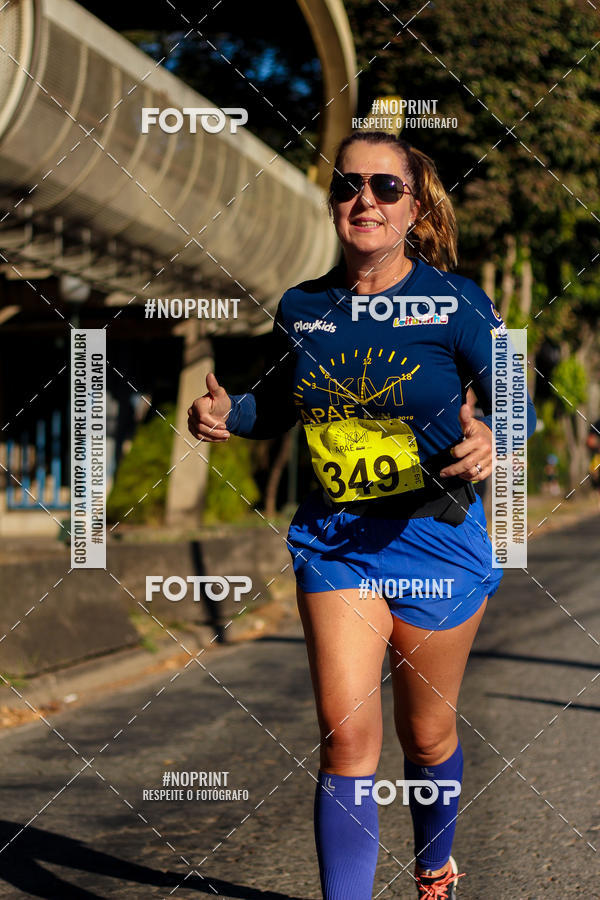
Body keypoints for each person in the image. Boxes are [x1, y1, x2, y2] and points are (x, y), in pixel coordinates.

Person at [188, 132, 537, 899]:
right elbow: (275, 405)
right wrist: (229, 414)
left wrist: (493, 439)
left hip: (437, 542)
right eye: (349, 185)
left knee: (428, 735)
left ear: (414, 207)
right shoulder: (304, 307)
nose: (364, 200)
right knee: (347, 741)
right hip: (336, 544)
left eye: (385, 187)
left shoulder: (456, 301)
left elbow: (521, 403)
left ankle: (434, 867)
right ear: (334, 200)